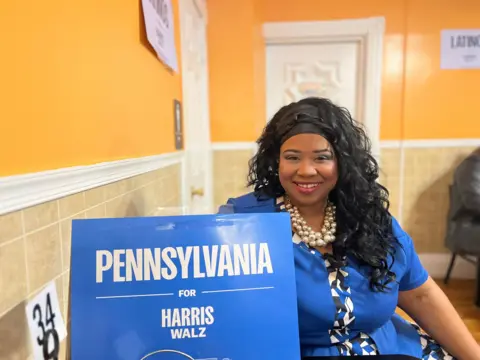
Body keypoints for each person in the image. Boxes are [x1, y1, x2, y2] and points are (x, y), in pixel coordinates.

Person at [219, 97, 480, 359]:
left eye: (322, 157)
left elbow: (420, 293)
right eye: (292, 157)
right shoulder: (242, 223)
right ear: (277, 161)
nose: (306, 170)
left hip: (396, 349)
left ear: (343, 162)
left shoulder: (370, 217)